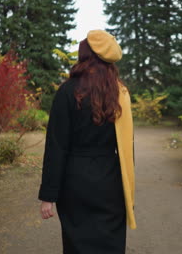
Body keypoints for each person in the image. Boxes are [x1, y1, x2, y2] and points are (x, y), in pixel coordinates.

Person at [38, 29, 136, 254]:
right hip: (110, 182)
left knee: (77, 245)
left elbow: (56, 146)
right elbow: (126, 147)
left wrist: (48, 196)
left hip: (75, 183)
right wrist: (128, 191)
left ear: (85, 55)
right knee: (109, 245)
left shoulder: (67, 91)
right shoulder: (120, 93)